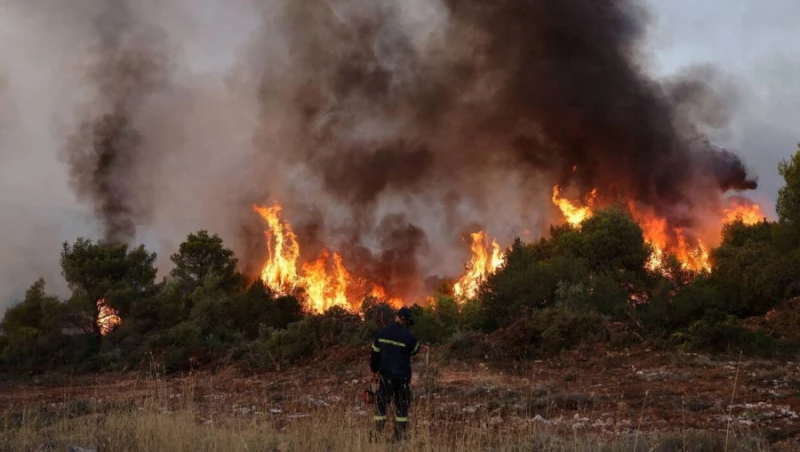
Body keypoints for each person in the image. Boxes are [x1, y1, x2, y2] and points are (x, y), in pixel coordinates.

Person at [369, 306, 420, 441]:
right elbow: (415, 351)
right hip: (402, 378)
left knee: (381, 405)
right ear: (407, 321)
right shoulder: (409, 337)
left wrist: (374, 371)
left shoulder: (382, 332)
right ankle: (398, 437)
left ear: (396, 317)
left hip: (386, 376)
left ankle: (377, 434)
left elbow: (375, 354)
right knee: (402, 407)